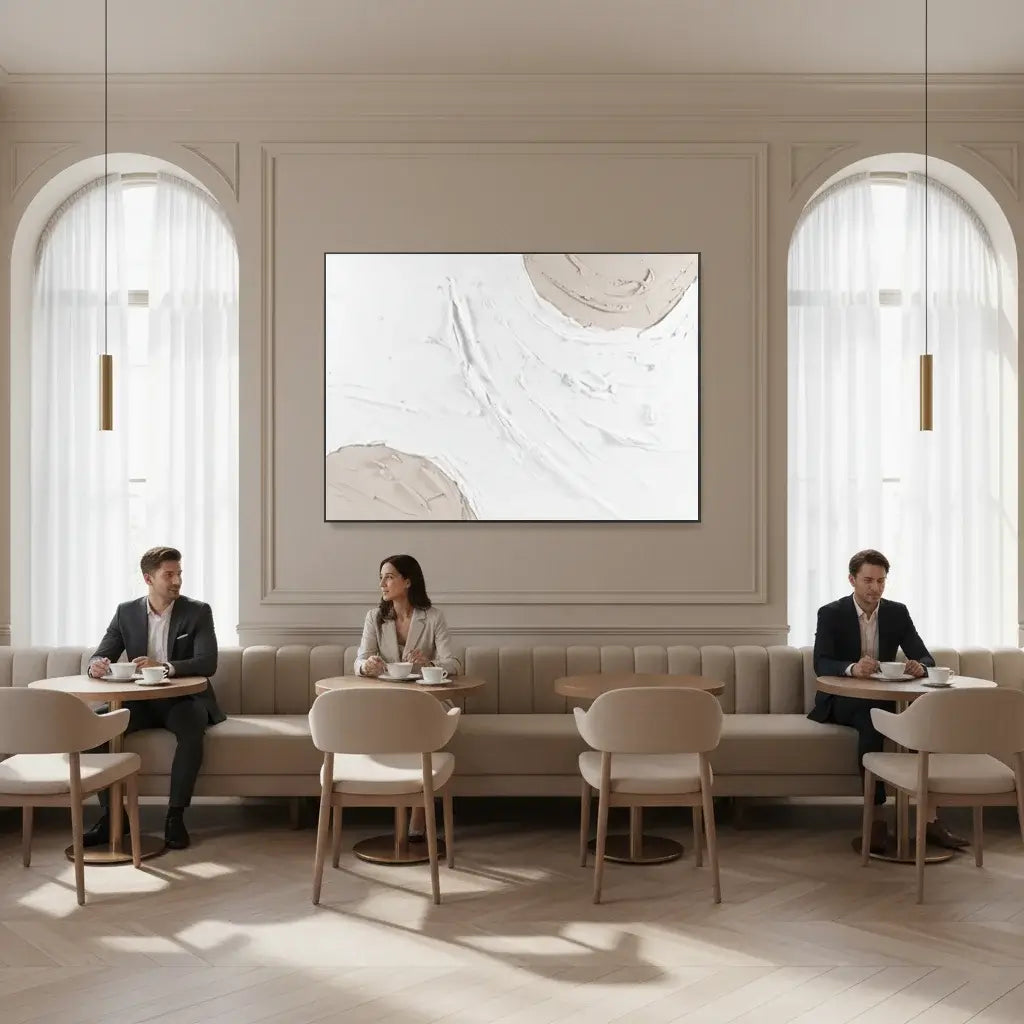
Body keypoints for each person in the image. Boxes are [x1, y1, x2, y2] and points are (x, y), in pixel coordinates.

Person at [810, 548, 967, 854]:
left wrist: (919, 666)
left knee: (921, 723)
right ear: (852, 580)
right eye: (868, 580)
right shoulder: (831, 613)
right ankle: (876, 822)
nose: (875, 588)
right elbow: (821, 662)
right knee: (872, 718)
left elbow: (925, 656)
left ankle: (929, 820)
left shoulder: (897, 612)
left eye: (881, 581)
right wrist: (853, 668)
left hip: (885, 698)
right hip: (843, 699)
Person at [86, 546, 223, 850]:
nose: (177, 581)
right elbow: (102, 652)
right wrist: (96, 665)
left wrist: (163, 667)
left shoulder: (198, 611)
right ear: (148, 578)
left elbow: (207, 662)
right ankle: (113, 817)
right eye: (169, 575)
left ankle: (175, 816)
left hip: (183, 700)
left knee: (192, 728)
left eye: (179, 573)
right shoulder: (126, 612)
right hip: (141, 702)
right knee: (94, 729)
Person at [355, 554, 462, 839]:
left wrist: (429, 663)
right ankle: (410, 812)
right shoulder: (375, 617)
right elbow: (360, 659)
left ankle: (416, 815)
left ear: (408, 581)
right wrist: (367, 666)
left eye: (389, 577)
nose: (382, 584)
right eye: (381, 578)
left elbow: (453, 664)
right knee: (405, 726)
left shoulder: (433, 617)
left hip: (425, 699)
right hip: (386, 700)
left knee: (425, 723)